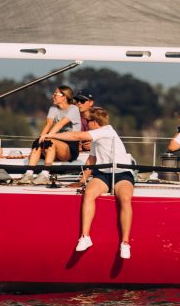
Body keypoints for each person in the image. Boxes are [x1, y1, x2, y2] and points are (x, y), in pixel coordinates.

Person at [44, 107, 135, 259]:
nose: (86, 124)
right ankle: (85, 237)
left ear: (94, 123)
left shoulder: (106, 131)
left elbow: (77, 135)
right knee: (89, 194)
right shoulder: (97, 138)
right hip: (104, 173)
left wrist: (52, 135)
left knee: (125, 199)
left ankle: (125, 243)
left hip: (122, 173)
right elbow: (92, 160)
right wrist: (81, 181)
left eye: (88, 122)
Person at [27, 85, 81, 169]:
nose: (53, 96)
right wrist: (40, 139)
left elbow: (61, 123)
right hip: (55, 140)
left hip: (70, 145)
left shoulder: (73, 109)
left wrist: (48, 136)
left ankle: (45, 173)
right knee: (38, 143)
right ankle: (28, 173)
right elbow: (48, 124)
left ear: (64, 97)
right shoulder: (53, 109)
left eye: (56, 94)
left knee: (50, 142)